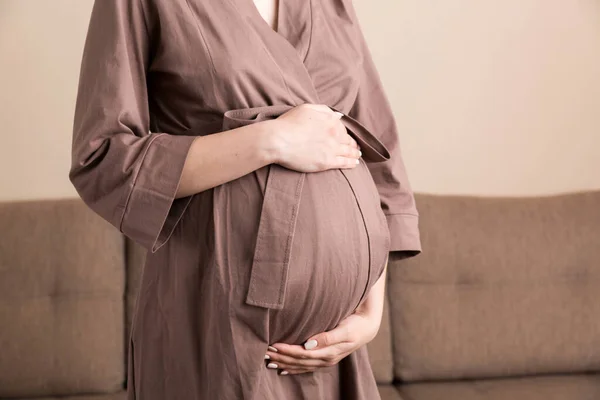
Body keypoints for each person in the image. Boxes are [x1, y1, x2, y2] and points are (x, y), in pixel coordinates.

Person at [68, 0, 422, 398]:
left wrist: (368, 313)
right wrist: (269, 140)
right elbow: (103, 158)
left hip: (333, 348)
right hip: (215, 321)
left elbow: (376, 154)